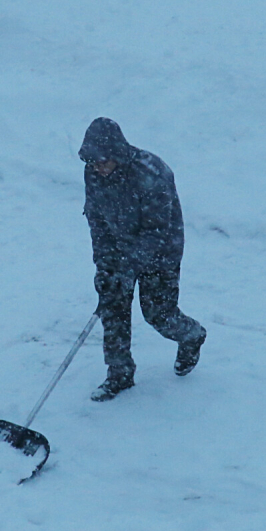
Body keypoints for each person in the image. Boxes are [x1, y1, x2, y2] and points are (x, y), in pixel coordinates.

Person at [80, 117, 206, 401]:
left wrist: (129, 268)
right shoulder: (93, 172)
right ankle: (120, 375)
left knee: (158, 315)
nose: (97, 168)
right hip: (118, 248)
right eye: (92, 163)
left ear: (117, 153)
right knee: (112, 309)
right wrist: (105, 266)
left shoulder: (152, 174)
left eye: (102, 161)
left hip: (161, 252)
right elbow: (97, 221)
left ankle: (191, 335)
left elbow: (156, 231)